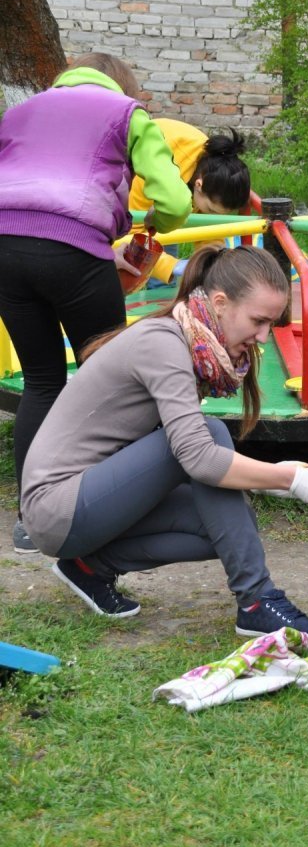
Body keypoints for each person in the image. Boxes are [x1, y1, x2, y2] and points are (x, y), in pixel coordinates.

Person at [19, 244, 308, 639]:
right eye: (258, 321)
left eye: (270, 324)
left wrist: (268, 477)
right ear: (221, 303)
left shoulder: (190, 342)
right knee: (208, 435)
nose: (262, 337)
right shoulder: (165, 344)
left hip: (90, 499)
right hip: (58, 506)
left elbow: (185, 457)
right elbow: (197, 456)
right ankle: (257, 600)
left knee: (226, 528)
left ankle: (91, 567)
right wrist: (286, 480)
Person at [0, 53, 192, 555]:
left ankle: (30, 518)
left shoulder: (21, 111)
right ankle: (121, 504)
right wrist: (149, 228)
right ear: (123, 86)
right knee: (116, 377)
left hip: (3, 249)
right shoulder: (127, 114)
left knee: (43, 379)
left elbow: (32, 198)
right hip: (72, 252)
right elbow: (174, 202)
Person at [127, 120, 251, 285]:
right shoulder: (154, 172)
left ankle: (162, 287)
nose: (211, 216)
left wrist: (212, 260)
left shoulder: (214, 169)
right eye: (211, 211)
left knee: (170, 231)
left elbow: (210, 230)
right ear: (199, 185)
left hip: (171, 193)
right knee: (131, 267)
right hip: (122, 175)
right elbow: (130, 233)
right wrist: (174, 266)